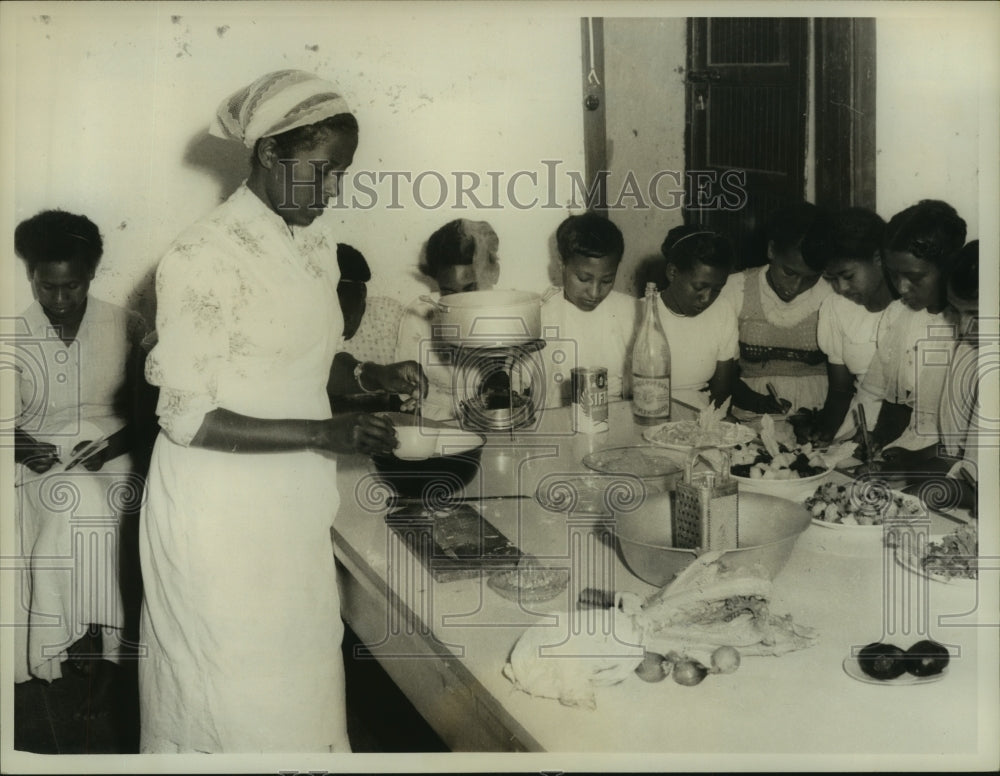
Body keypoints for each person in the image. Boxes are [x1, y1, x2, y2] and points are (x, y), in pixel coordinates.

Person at [138, 69, 425, 753]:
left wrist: (365, 373)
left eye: (341, 175)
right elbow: (188, 417)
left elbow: (298, 359)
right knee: (232, 703)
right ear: (267, 152)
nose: (332, 192)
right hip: (217, 514)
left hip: (290, 502)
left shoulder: (313, 245)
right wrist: (327, 430)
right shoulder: (200, 256)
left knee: (299, 696)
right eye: (323, 172)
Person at [12, 210, 147, 690]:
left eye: (73, 286)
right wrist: (26, 446)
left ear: (92, 274)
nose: (61, 299)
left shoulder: (126, 325)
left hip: (115, 448)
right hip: (41, 458)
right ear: (31, 276)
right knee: (77, 499)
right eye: (48, 287)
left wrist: (113, 444)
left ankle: (115, 646)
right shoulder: (12, 335)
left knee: (135, 499)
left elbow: (150, 413)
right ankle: (81, 635)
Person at [855, 199, 966, 462]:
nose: (902, 287)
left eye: (915, 278)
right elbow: (892, 397)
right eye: (893, 275)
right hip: (905, 448)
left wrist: (913, 461)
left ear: (948, 268)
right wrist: (876, 437)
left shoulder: (970, 328)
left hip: (952, 465)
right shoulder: (899, 315)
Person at [791, 207, 896, 444]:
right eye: (831, 280)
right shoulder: (836, 307)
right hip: (858, 425)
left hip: (906, 432)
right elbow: (840, 391)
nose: (841, 288)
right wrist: (825, 430)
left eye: (847, 276)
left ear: (878, 259)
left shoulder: (913, 307)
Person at [718, 202, 833, 414]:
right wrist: (756, 402)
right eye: (788, 273)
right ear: (771, 250)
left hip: (819, 410)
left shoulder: (832, 295)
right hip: (749, 407)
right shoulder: (736, 289)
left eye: (811, 278)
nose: (795, 287)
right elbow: (721, 375)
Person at [394, 218, 502, 420]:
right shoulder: (419, 315)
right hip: (438, 425)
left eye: (470, 288)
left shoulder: (510, 314)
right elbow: (407, 392)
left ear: (492, 274)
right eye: (449, 292)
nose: (459, 303)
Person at [540, 212, 638, 406]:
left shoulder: (632, 310)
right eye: (584, 279)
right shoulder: (542, 315)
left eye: (607, 280)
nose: (594, 293)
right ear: (561, 263)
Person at [655, 225, 739, 409]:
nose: (707, 299)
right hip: (649, 412)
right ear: (672, 272)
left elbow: (721, 397)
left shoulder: (722, 311)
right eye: (699, 287)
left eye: (717, 289)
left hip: (701, 417)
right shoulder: (640, 313)